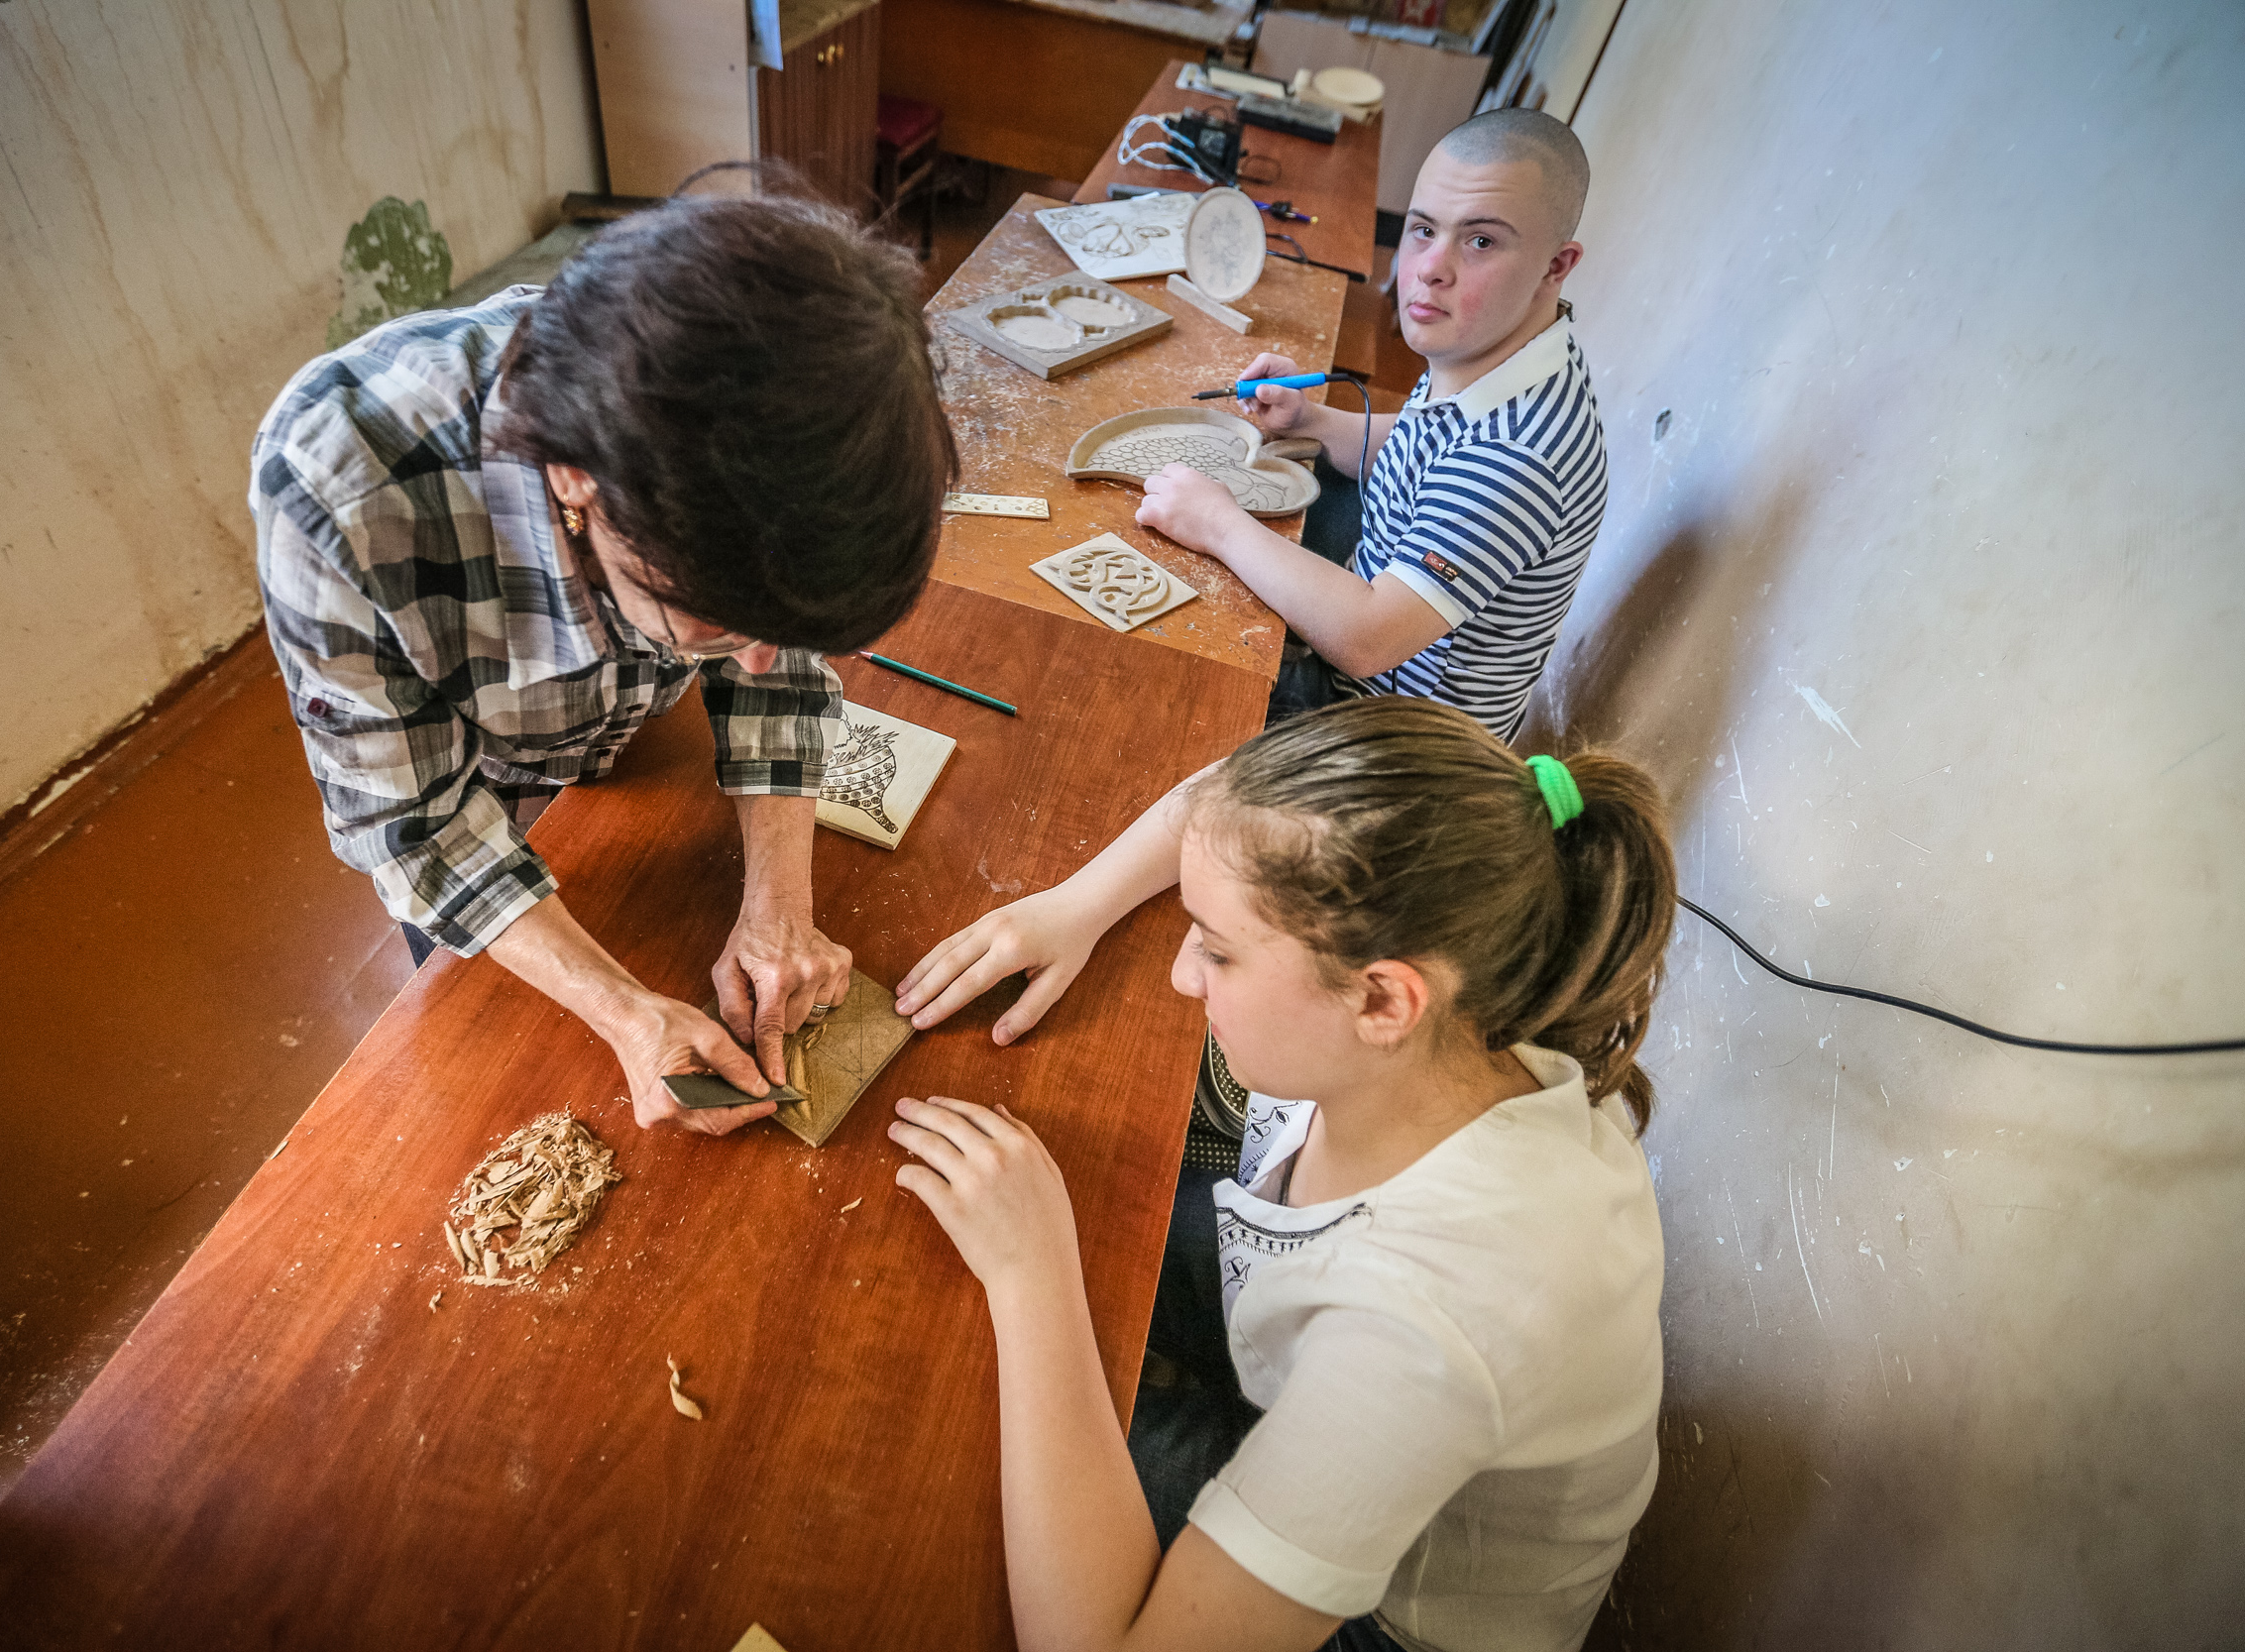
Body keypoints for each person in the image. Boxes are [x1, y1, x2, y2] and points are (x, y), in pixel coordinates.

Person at [884, 697, 1674, 1651]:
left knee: (951, 1450)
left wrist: (1032, 1276)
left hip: (1377, 1622)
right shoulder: (1460, 1020)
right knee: (1052, 1223)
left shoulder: (1433, 1320)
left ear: (1382, 999)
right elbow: (1223, 804)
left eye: (1217, 949)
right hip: (1325, 1354)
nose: (1184, 975)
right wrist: (1076, 905)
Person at [250, 188, 954, 1135]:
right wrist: (626, 1012)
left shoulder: (771, 415)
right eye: (715, 624)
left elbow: (773, 653)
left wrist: (779, 906)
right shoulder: (339, 487)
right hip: (472, 790)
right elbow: (417, 827)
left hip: (631, 738)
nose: (759, 660)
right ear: (576, 481)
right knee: (482, 1069)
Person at [1135, 109, 1609, 739]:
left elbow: (1366, 639)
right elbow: (1427, 455)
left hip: (1386, 743)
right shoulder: (1499, 349)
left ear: (1556, 265)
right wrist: (1314, 419)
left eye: (1481, 242)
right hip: (1365, 649)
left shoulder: (1518, 455)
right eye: (1423, 230)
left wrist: (1217, 523)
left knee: (1155, 692)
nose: (1431, 268)